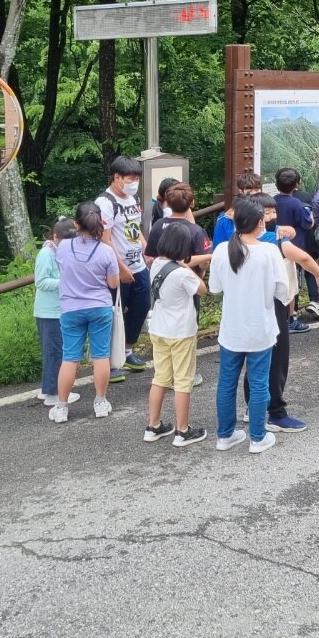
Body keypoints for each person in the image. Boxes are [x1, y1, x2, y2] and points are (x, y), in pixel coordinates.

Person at [247, 194, 319, 433]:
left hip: (247, 308)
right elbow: (303, 257)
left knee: (252, 360)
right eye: (268, 213)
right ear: (257, 218)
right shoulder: (274, 241)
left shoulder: (236, 241)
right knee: (277, 359)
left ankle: (251, 407)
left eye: (274, 212)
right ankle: (276, 413)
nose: (273, 217)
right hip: (273, 306)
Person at [211, 197, 288, 454]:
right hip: (260, 328)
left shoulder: (222, 250)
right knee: (258, 383)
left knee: (227, 382)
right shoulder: (269, 252)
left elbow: (215, 288)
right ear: (258, 222)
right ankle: (258, 437)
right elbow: (282, 290)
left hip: (231, 328)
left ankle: (225, 435)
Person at [51, 202, 121, 421]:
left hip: (71, 309)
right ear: (100, 223)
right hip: (99, 307)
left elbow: (64, 270)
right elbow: (113, 283)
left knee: (70, 358)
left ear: (75, 223)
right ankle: (100, 402)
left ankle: (61, 407)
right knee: (100, 356)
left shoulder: (62, 247)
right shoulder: (107, 251)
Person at [145, 223, 209, 448]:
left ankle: (153, 426)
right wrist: (189, 268)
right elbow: (202, 289)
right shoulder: (182, 273)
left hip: (159, 329)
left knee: (160, 377)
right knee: (183, 380)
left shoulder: (155, 265)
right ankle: (182, 431)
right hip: (180, 332)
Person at [143, 181, 212, 385]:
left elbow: (151, 256)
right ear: (192, 203)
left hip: (161, 283)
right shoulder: (195, 230)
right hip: (188, 284)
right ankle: (183, 374)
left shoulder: (157, 226)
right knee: (186, 329)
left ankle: (166, 374)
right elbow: (205, 256)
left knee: (164, 324)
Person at [96, 156, 151, 374]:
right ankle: (111, 361)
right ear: (117, 177)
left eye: (137, 178)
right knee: (114, 313)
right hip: (116, 270)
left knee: (141, 306)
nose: (134, 182)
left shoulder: (132, 198)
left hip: (138, 265)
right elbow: (105, 240)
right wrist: (120, 268)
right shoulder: (105, 203)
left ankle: (127, 351)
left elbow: (136, 230)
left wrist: (148, 251)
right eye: (131, 178)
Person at [35, 217, 80, 409]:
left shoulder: (60, 251)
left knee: (54, 351)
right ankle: (53, 394)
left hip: (57, 310)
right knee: (55, 352)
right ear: (55, 237)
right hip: (49, 312)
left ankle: (48, 389)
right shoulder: (46, 253)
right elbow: (41, 281)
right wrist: (65, 282)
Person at [274, 167, 319, 320]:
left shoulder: (273, 201)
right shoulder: (296, 202)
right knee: (308, 270)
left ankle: (291, 310)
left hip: (279, 246)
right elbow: (307, 223)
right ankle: (314, 301)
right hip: (298, 245)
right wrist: (312, 216)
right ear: (296, 185)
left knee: (288, 277)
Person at [213, 173, 266, 246]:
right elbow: (218, 247)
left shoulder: (267, 209)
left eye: (257, 190)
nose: (254, 194)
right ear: (241, 191)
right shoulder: (225, 220)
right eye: (249, 192)